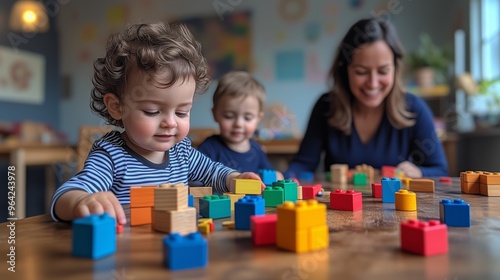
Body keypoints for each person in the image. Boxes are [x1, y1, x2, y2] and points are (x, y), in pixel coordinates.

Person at [50, 22, 263, 225]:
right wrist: (81, 201)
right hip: (129, 254)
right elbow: (64, 196)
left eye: (182, 112)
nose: (170, 123)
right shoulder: (111, 156)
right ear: (117, 107)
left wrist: (235, 178)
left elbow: (214, 172)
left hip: (175, 245)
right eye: (152, 111)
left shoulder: (182, 152)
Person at [285, 18, 448, 179]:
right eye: (361, 72)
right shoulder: (326, 106)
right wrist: (281, 177)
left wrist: (418, 172)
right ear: (345, 70)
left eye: (383, 71)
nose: (373, 83)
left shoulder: (414, 108)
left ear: (395, 69)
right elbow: (303, 164)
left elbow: (440, 170)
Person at [197, 71, 283, 180]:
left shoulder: (258, 150)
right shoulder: (209, 148)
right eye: (229, 116)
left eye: (247, 118)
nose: (238, 124)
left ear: (258, 119)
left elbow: (268, 181)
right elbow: (196, 181)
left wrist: (276, 177)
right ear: (215, 114)